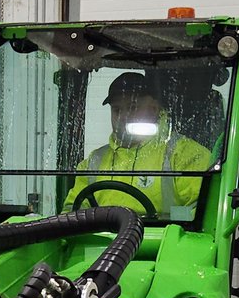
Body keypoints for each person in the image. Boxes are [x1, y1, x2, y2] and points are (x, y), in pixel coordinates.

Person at [63, 72, 213, 215]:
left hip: (163, 241)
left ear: (154, 109)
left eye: (132, 108)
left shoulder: (186, 155)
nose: (122, 117)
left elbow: (202, 213)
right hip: (102, 242)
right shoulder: (94, 161)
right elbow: (72, 210)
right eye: (117, 110)